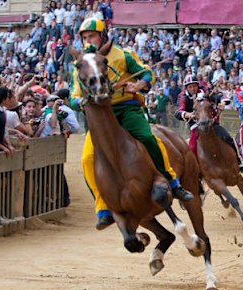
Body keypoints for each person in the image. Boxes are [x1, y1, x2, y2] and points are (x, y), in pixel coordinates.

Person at [69, 18, 193, 230]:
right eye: (85, 37)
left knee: (146, 137)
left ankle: (173, 182)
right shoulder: (80, 64)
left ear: (102, 36)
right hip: (101, 118)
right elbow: (74, 96)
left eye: (92, 36)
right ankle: (103, 206)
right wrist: (80, 101)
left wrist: (140, 84)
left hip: (127, 109)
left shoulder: (121, 55)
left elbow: (147, 73)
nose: (88, 40)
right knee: (87, 158)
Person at [175, 74, 243, 178]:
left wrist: (222, 101)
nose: (193, 88)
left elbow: (218, 95)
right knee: (192, 146)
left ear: (198, 86)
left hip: (211, 122)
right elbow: (178, 111)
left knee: (228, 138)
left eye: (194, 86)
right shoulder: (182, 96)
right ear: (186, 88)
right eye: (190, 87)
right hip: (196, 124)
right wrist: (187, 114)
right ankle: (195, 171)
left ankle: (241, 164)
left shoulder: (204, 90)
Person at [0, 87, 16, 156]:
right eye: (8, 97)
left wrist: (8, 145)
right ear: (3, 100)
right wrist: (3, 147)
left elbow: (1, 131)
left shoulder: (1, 112)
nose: (9, 99)